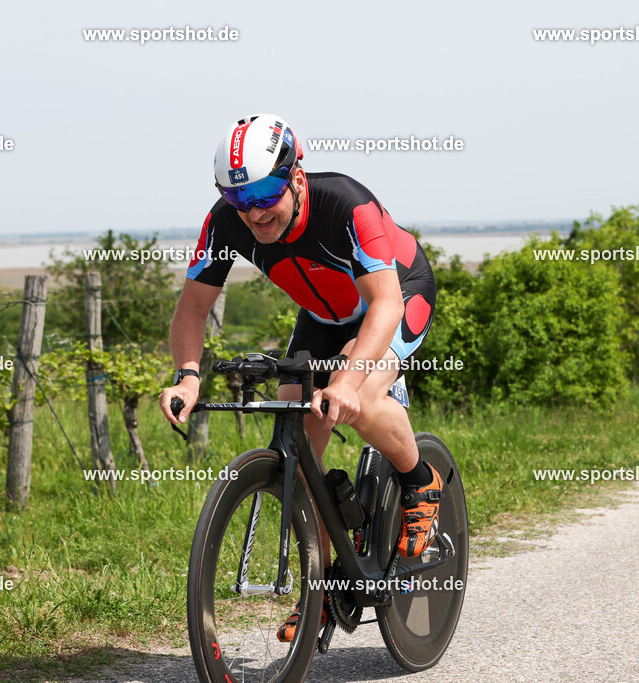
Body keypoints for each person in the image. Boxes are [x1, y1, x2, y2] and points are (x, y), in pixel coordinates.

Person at [158, 114, 443, 641]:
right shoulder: (227, 221)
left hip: (395, 296)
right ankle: (323, 589)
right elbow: (192, 309)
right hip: (324, 314)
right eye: (239, 200)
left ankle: (418, 479)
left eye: (265, 195)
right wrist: (188, 377)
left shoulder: (344, 203)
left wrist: (348, 380)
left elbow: (383, 303)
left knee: (363, 395)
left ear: (294, 177)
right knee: (295, 425)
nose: (254, 214)